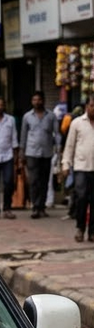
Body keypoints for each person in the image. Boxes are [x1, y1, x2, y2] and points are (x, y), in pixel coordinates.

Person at [21, 90, 59, 219]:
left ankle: (42, 207)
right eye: (34, 100)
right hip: (31, 152)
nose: (37, 102)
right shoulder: (27, 116)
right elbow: (23, 135)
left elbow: (56, 133)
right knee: (34, 181)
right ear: (32, 102)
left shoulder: (51, 116)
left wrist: (58, 147)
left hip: (47, 152)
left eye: (39, 100)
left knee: (44, 181)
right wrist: (22, 152)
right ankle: (35, 207)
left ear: (43, 101)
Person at [62, 96, 94, 242]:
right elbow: (69, 145)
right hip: (81, 166)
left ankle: (92, 231)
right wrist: (65, 164)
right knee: (81, 197)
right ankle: (80, 228)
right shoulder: (77, 123)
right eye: (92, 106)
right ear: (87, 106)